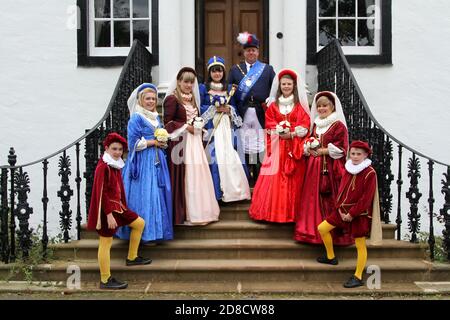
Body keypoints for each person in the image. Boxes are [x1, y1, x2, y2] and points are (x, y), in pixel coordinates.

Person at [87, 133, 152, 290]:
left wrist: (123, 206)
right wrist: (109, 215)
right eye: (114, 149)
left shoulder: (115, 165)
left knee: (139, 223)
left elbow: (117, 190)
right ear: (107, 148)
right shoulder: (103, 167)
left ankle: (132, 257)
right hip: (106, 211)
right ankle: (105, 279)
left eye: (120, 149)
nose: (117, 152)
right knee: (105, 242)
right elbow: (102, 193)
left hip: (119, 208)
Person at [317, 140, 382, 288]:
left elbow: (366, 198)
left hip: (359, 214)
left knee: (360, 244)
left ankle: (358, 276)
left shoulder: (369, 173)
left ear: (365, 155)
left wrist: (352, 214)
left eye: (359, 154)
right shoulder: (348, 168)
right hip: (341, 211)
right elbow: (341, 190)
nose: (355, 156)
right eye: (352, 153)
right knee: (322, 228)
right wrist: (339, 208)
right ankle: (331, 256)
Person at [249, 69, 311, 223]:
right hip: (277, 147)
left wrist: (291, 133)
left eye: (289, 84)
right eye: (283, 84)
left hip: (293, 145)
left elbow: (304, 124)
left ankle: (292, 214)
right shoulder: (273, 106)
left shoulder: (299, 106)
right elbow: (269, 122)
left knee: (292, 179)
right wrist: (278, 129)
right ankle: (272, 213)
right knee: (274, 179)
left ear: (294, 86)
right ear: (279, 86)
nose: (286, 86)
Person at [116, 83, 173, 243]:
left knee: (157, 194)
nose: (151, 101)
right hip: (142, 162)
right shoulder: (136, 118)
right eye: (148, 98)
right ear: (141, 100)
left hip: (157, 159)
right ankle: (143, 233)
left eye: (154, 99)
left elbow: (161, 140)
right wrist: (153, 142)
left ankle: (156, 232)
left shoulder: (156, 118)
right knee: (146, 194)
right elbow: (133, 143)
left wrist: (162, 143)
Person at [294, 91, 353, 246]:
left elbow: (342, 148)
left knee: (329, 199)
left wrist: (322, 151)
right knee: (311, 199)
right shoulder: (316, 125)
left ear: (332, 107)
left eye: (324, 105)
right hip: (313, 168)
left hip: (331, 169)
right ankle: (311, 232)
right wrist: (307, 147)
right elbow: (309, 140)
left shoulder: (338, 125)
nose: (321, 108)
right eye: (319, 106)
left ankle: (333, 236)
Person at [163, 67, 220, 225]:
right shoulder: (172, 99)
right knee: (187, 175)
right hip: (180, 143)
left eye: (191, 82)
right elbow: (167, 123)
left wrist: (199, 127)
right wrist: (186, 127)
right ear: (179, 82)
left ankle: (201, 211)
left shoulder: (192, 98)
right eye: (186, 81)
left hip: (194, 141)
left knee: (198, 175)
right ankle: (187, 212)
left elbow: (196, 118)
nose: (189, 85)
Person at [199, 56, 251, 202]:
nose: (217, 74)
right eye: (214, 71)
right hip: (212, 127)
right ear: (209, 73)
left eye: (219, 71)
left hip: (227, 127)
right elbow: (200, 108)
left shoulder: (229, 89)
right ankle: (217, 192)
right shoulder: (203, 88)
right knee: (215, 156)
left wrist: (228, 109)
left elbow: (235, 107)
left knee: (231, 155)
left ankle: (236, 192)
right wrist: (214, 107)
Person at [228, 32, 276, 186]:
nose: (251, 52)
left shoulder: (267, 69)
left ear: (258, 51)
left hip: (261, 112)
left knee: (260, 142)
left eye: (253, 50)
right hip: (242, 111)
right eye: (248, 50)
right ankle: (246, 173)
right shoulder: (235, 70)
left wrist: (271, 101)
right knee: (244, 142)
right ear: (244, 52)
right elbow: (230, 93)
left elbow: (274, 90)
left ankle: (259, 174)